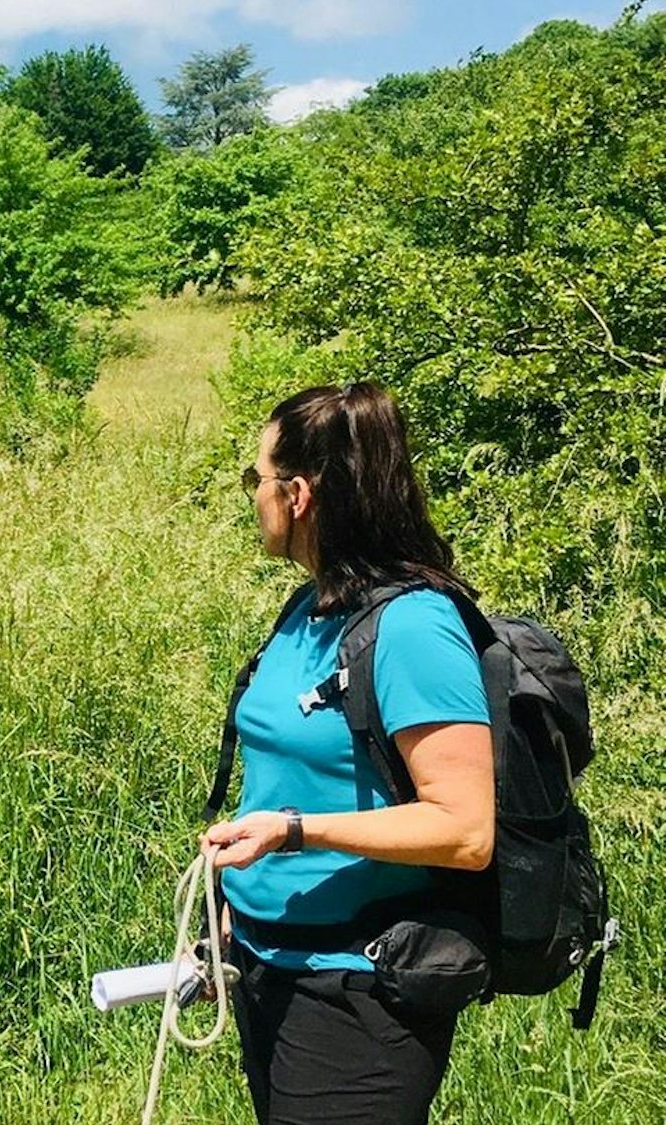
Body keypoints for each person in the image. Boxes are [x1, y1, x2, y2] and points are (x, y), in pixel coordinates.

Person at [200, 383, 496, 1125]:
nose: (253, 495)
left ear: (297, 495)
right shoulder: (310, 607)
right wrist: (237, 910)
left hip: (358, 993)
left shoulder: (415, 628)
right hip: (268, 968)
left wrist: (295, 832)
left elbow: (465, 830)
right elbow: (293, 769)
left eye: (257, 478)